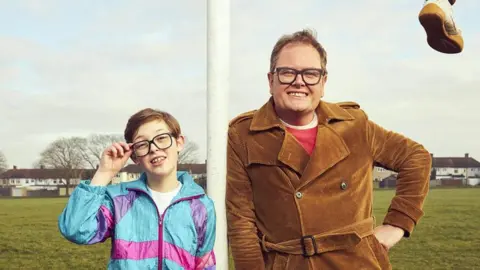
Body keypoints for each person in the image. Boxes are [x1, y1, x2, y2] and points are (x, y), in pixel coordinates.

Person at [226, 29, 432, 270]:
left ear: (323, 83)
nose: (299, 81)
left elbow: (416, 157)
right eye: (287, 72)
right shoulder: (244, 134)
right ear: (271, 80)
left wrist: (398, 223)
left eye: (310, 73)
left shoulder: (354, 125)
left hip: (357, 263)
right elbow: (242, 223)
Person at [58, 108, 216, 270]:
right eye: (142, 144)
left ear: (179, 142)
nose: (154, 148)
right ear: (134, 156)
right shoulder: (118, 200)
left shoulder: (202, 206)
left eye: (161, 138)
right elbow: (75, 229)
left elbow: (203, 264)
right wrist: (104, 173)